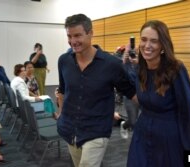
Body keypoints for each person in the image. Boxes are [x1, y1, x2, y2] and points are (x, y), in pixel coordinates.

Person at [126, 20, 190, 167]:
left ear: (162, 45)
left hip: (168, 139)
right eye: (143, 39)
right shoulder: (140, 68)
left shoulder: (175, 69)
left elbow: (189, 107)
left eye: (154, 41)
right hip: (142, 134)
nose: (147, 45)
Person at [56, 13, 136, 167]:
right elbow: (63, 91)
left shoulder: (111, 64)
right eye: (69, 36)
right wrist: (61, 115)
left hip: (96, 131)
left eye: (77, 35)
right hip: (70, 129)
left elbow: (133, 94)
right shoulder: (64, 61)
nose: (73, 41)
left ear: (90, 33)